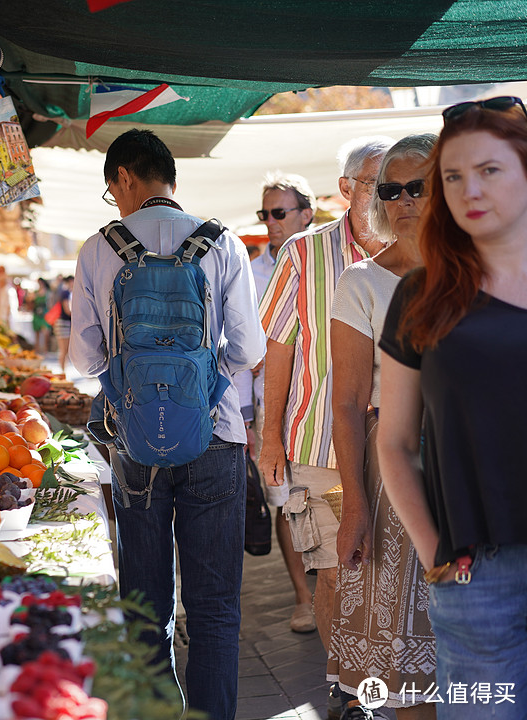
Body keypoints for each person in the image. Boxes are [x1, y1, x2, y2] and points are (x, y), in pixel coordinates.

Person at [71, 129, 264, 720]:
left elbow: (85, 360)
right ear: (169, 176)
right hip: (215, 435)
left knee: (146, 608)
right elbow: (249, 347)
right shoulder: (221, 242)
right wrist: (203, 381)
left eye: (114, 190)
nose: (117, 203)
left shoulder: (99, 248)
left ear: (125, 178)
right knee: (214, 611)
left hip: (135, 443)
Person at [378, 97, 527, 720]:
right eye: (453, 176)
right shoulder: (422, 294)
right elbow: (394, 442)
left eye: (489, 170)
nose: (470, 190)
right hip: (477, 575)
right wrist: (433, 549)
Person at [257, 136, 392, 664]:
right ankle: (345, 684)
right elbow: (278, 348)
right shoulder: (304, 252)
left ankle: (381, 675)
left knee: (391, 570)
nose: (392, 197)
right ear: (345, 189)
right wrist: (270, 438)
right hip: (317, 443)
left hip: (398, 441)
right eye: (379, 184)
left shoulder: (419, 251)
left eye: (406, 186)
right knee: (338, 570)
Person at [328, 134, 437, 720]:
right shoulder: (362, 282)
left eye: (415, 186)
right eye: (389, 190)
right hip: (397, 477)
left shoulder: (492, 265)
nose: (400, 200)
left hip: (480, 470)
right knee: (407, 666)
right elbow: (346, 403)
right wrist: (354, 507)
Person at [251, 172, 318, 634]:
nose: (271, 223)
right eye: (266, 214)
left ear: (307, 214)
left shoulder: (328, 262)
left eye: (280, 213)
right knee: (285, 503)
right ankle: (302, 598)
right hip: (272, 406)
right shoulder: (250, 270)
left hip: (322, 400)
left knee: (331, 498)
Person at [29, 277, 53, 354]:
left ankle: (45, 349)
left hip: (44, 314)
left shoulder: (47, 293)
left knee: (45, 332)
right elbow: (31, 303)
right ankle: (37, 349)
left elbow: (50, 305)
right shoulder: (35, 292)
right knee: (37, 333)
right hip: (37, 314)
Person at [55, 276, 73, 374]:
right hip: (63, 323)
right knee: (64, 350)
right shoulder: (66, 292)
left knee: (65, 350)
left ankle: (63, 371)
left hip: (65, 323)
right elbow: (67, 310)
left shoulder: (67, 292)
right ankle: (62, 372)